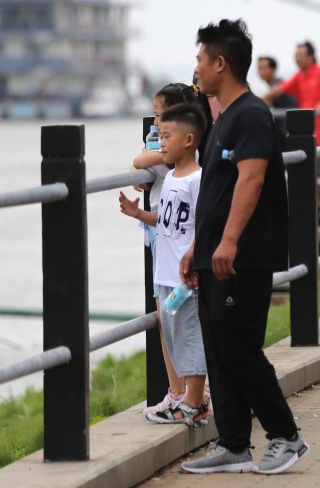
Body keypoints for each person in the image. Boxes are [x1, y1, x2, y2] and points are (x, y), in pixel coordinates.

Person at [180, 19, 308, 475]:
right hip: (215, 255)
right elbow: (218, 192)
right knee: (218, 349)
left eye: (200, 59)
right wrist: (197, 248)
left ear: (220, 63)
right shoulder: (223, 118)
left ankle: (286, 437)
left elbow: (251, 181)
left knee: (239, 348)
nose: (196, 67)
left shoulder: (251, 115)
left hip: (242, 256)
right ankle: (234, 444)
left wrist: (229, 241)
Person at [119, 102, 210, 427]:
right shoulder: (171, 176)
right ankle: (188, 399)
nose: (160, 143)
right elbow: (167, 219)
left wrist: (196, 261)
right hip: (166, 273)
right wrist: (139, 214)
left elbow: (206, 223)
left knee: (189, 335)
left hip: (187, 276)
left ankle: (195, 402)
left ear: (188, 140)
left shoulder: (198, 179)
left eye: (166, 136)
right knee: (172, 335)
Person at [263, 40, 320, 226]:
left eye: (300, 55)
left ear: (310, 56)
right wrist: (261, 100)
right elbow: (281, 89)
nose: (297, 59)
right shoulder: (299, 76)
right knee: (311, 173)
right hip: (306, 132)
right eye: (296, 56)